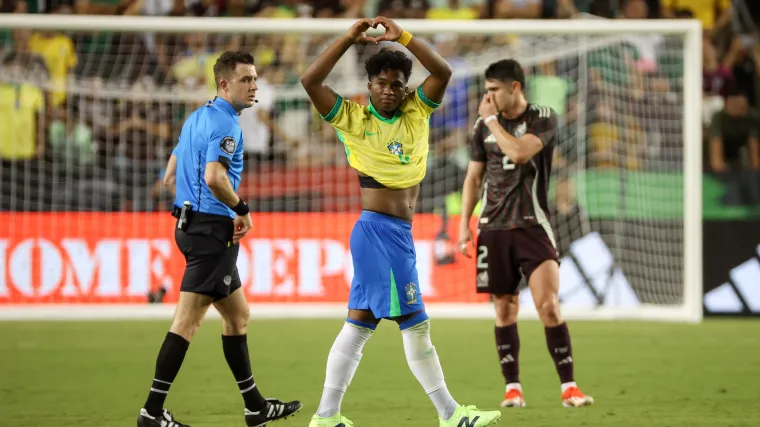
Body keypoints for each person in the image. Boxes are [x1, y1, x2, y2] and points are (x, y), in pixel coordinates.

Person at [300, 17, 503, 427]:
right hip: (379, 233)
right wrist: (348, 39)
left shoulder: (416, 111)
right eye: (381, 83)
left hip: (395, 234)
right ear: (369, 86)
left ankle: (326, 416)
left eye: (396, 84)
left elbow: (443, 71)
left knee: (359, 325)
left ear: (405, 87)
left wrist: (404, 37)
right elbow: (310, 81)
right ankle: (451, 414)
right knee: (416, 324)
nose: (389, 90)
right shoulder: (352, 118)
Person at [136, 51, 302, 427]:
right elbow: (214, 177)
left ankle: (255, 406)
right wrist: (241, 208)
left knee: (237, 315)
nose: (255, 85)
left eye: (255, 78)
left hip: (188, 224)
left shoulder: (196, 117)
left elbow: (170, 172)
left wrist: (190, 198)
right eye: (246, 79)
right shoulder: (228, 124)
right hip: (212, 231)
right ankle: (151, 412)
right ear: (224, 84)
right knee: (187, 322)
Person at [458, 59, 594, 409]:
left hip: (533, 226)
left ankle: (569, 387)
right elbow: (473, 179)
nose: (487, 98)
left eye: (493, 90)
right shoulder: (481, 128)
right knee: (505, 311)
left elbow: (519, 153)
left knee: (548, 306)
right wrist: (463, 226)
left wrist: (490, 121)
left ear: (514, 87)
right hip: (493, 228)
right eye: (485, 90)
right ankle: (513, 389)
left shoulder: (541, 116)